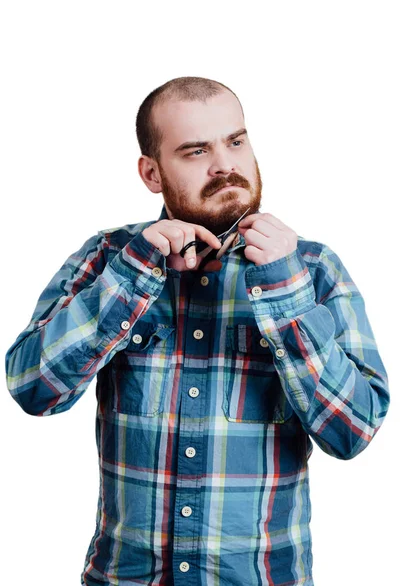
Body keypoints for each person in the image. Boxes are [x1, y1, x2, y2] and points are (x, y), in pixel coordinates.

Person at [5, 76, 390, 586]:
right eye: (195, 150)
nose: (225, 164)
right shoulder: (107, 260)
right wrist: (134, 273)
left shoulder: (312, 270)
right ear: (152, 173)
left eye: (236, 140)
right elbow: (33, 387)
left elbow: (354, 431)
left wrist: (284, 293)